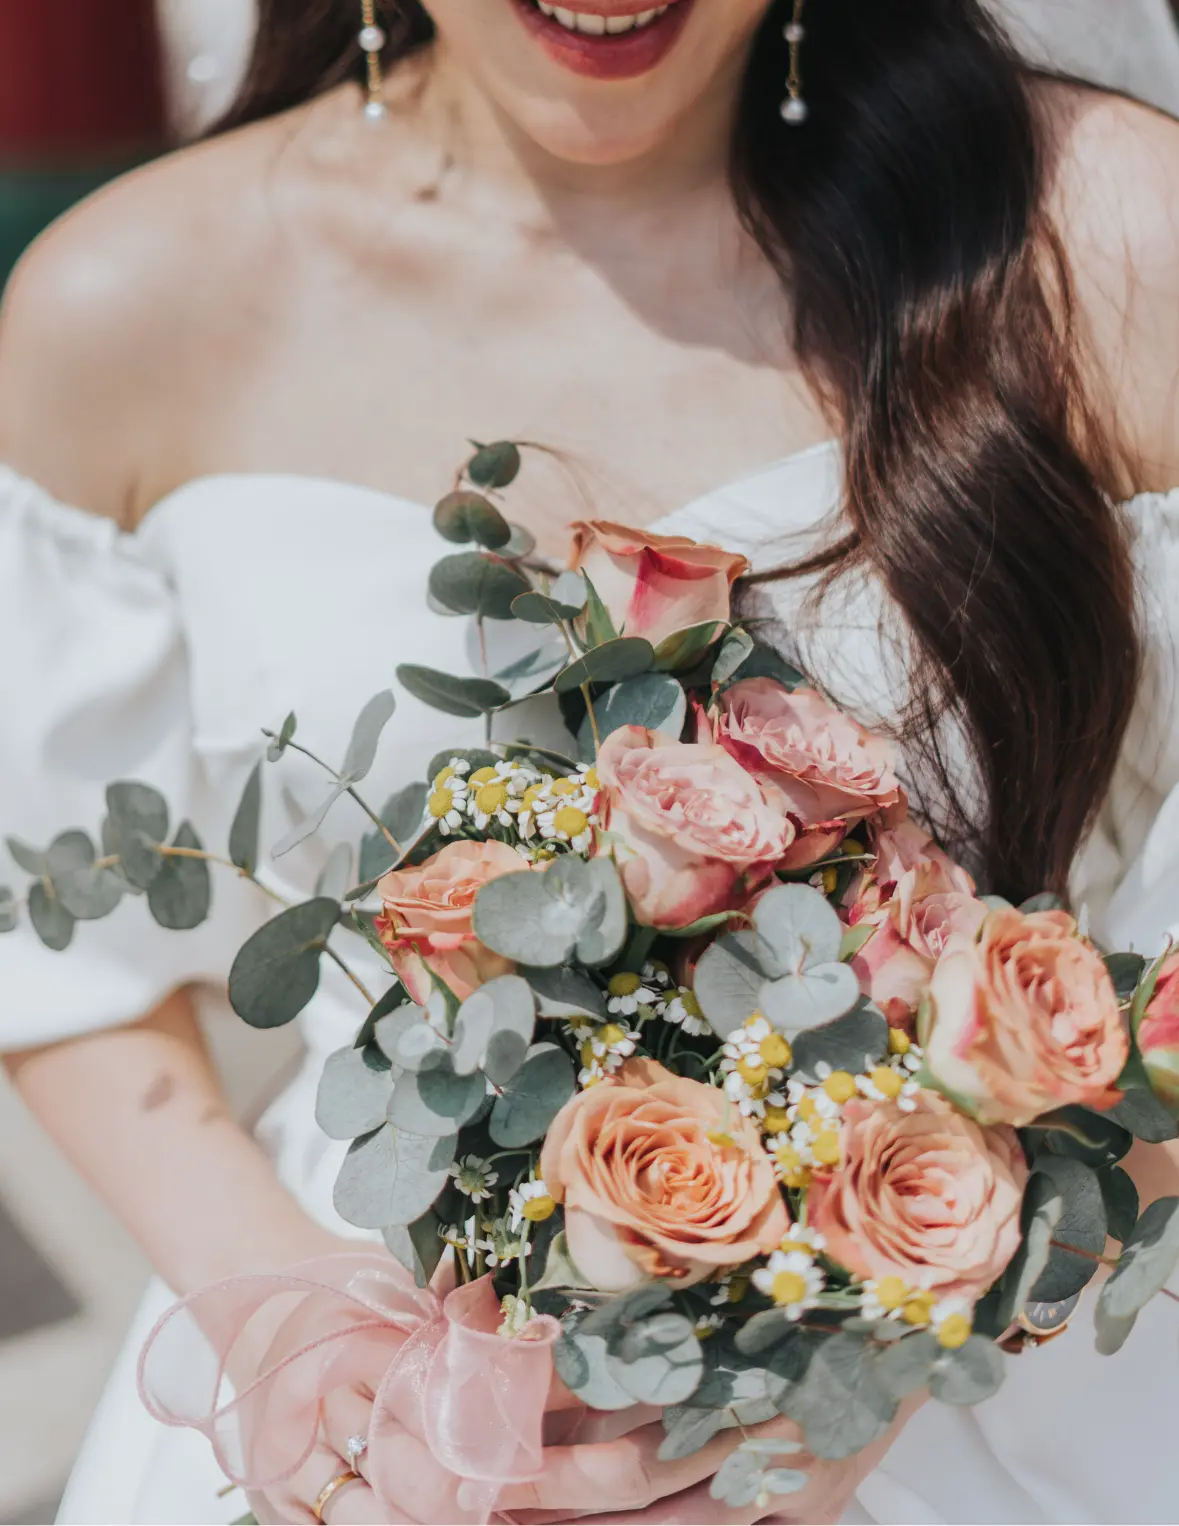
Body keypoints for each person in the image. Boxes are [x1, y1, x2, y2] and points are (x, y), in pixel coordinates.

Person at [0, 0, 1177, 1521]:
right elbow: (57, 928)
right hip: (381, 1402)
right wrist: (285, 1319)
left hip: (1019, 1381)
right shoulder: (120, 301)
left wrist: (917, 1315)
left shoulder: (1101, 233)